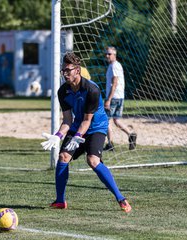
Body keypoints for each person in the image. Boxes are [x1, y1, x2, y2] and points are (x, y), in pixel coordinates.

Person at [41, 52, 132, 213]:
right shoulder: (63, 91)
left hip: (96, 127)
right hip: (78, 126)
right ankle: (60, 201)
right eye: (63, 70)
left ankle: (121, 198)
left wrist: (77, 137)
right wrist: (58, 136)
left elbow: (87, 121)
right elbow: (68, 120)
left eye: (68, 70)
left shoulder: (92, 90)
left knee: (93, 160)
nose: (65, 74)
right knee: (63, 157)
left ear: (77, 70)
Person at [103, 46, 136, 151]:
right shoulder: (113, 66)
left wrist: (108, 99)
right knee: (116, 120)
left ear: (114, 55)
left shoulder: (114, 66)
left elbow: (115, 83)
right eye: (106, 54)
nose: (107, 56)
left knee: (106, 121)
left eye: (109, 54)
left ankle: (110, 144)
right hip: (119, 97)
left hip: (114, 97)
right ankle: (131, 134)